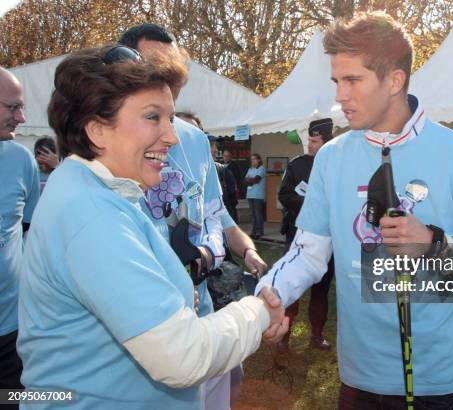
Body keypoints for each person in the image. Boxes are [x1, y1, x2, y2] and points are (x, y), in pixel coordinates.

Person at [256, 12, 453, 408]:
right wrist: (267, 297)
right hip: (359, 378)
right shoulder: (331, 157)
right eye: (336, 82)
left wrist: (433, 242)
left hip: (437, 380)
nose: (339, 96)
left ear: (394, 80)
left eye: (352, 80)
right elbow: (307, 254)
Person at [17, 45, 287, 410]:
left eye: (170, 118)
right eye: (152, 117)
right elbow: (182, 356)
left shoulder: (96, 189)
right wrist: (257, 312)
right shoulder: (91, 212)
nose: (172, 137)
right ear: (97, 129)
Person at [118, 24, 271, 410]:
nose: (167, 73)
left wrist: (247, 252)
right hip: (141, 327)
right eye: (155, 63)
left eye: (174, 63)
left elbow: (216, 215)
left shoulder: (194, 140)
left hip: (202, 311)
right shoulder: (110, 146)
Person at [278, 118, 335, 351]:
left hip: (327, 239)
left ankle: (317, 335)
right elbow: (284, 195)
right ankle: (284, 335)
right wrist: (310, 204)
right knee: (291, 288)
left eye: (314, 141)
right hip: (297, 236)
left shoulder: (337, 165)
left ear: (326, 141)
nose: (309, 145)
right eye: (309, 140)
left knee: (321, 290)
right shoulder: (297, 165)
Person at [0, 66, 38, 408]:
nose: (21, 117)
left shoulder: (20, 159)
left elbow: (30, 234)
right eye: (12, 107)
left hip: (10, 332)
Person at [245, 153, 266, 239]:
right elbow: (245, 180)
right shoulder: (250, 169)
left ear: (259, 160)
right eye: (251, 159)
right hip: (250, 194)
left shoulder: (261, 169)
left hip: (258, 195)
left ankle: (259, 232)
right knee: (253, 215)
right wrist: (250, 180)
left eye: (254, 159)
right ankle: (253, 232)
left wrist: (250, 179)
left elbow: (256, 180)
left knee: (258, 214)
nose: (252, 161)